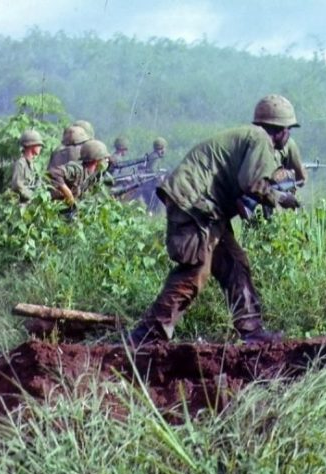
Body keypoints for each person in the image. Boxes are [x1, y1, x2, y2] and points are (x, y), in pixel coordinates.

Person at [128, 94, 302, 347]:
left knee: (235, 265)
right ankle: (147, 336)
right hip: (195, 205)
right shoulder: (260, 140)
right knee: (195, 271)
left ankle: (251, 330)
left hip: (206, 209)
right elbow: (251, 183)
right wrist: (279, 197)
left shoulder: (249, 137)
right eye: (288, 130)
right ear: (281, 130)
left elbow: (240, 188)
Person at [49, 139, 110, 207]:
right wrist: (69, 196)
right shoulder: (77, 169)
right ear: (97, 160)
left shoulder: (91, 176)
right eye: (104, 158)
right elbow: (54, 172)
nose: (106, 161)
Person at [10, 129, 44, 202]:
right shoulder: (20, 164)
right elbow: (17, 186)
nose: (40, 148)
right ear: (31, 146)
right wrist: (33, 196)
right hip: (21, 205)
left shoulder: (33, 165)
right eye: (38, 145)